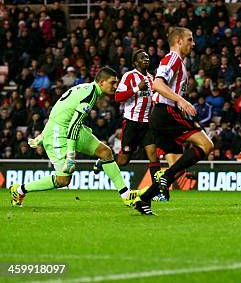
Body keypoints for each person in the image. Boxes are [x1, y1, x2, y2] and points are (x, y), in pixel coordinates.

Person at [10, 67, 142, 207]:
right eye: (113, 82)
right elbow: (72, 124)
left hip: (70, 128)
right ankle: (19, 190)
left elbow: (62, 107)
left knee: (105, 152)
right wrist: (70, 155)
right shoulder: (90, 95)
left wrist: (43, 132)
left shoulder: (87, 88)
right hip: (59, 132)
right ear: (102, 82)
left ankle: (126, 195)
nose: (116, 86)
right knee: (63, 180)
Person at [134, 27, 214, 215]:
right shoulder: (173, 59)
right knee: (206, 145)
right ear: (178, 40)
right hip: (166, 111)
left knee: (176, 167)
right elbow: (157, 84)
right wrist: (181, 100)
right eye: (190, 39)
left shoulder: (179, 62)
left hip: (161, 114)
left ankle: (144, 199)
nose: (193, 44)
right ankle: (163, 178)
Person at [93, 49, 165, 200]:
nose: (146, 59)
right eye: (142, 58)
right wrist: (137, 88)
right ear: (135, 62)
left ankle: (156, 192)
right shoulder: (129, 76)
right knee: (123, 161)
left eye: (147, 57)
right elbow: (118, 97)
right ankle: (105, 161)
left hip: (147, 124)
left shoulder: (152, 78)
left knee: (153, 156)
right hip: (132, 123)